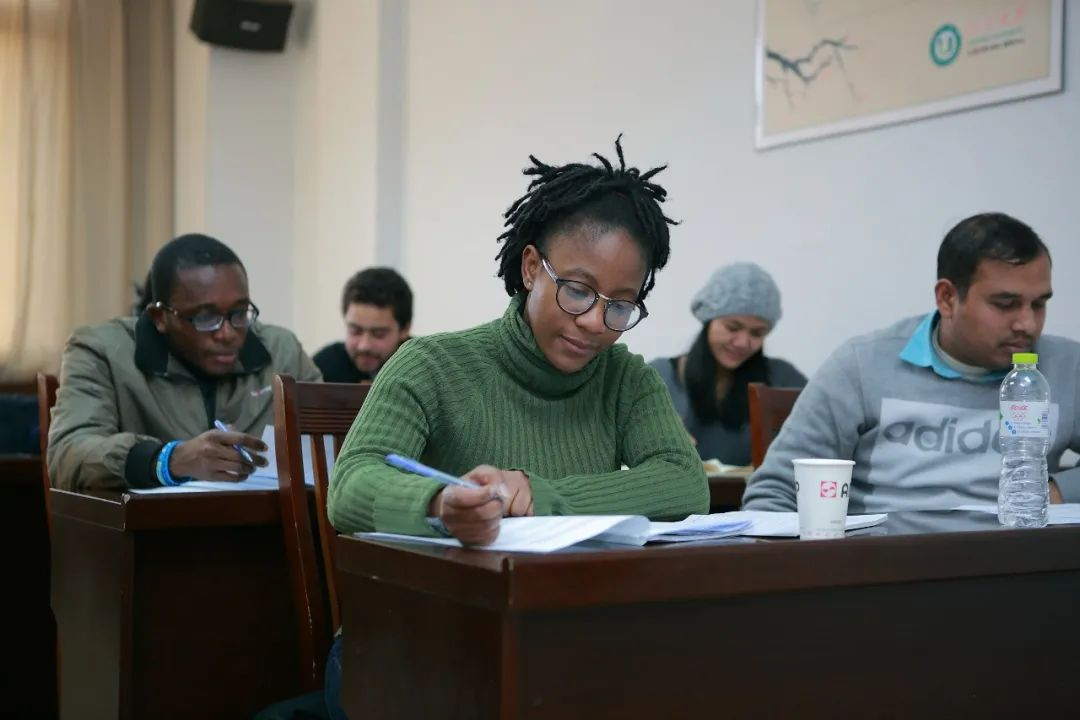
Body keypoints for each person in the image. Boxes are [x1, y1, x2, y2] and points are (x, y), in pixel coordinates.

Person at [314, 138, 708, 719]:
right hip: (412, 639)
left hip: (554, 639)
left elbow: (684, 483)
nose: (595, 322)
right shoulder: (431, 364)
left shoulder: (625, 378)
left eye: (620, 305)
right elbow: (350, 485)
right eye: (577, 291)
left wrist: (542, 497)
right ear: (530, 268)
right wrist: (439, 504)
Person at [742, 212, 1080, 512]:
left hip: (1017, 559)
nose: (1027, 324)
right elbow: (776, 492)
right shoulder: (862, 365)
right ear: (947, 298)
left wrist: (1061, 490)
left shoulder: (1067, 367)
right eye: (1005, 304)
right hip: (889, 557)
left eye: (1039, 304)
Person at [47, 233, 322, 491]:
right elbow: (67, 455)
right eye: (205, 317)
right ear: (160, 318)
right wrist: (169, 460)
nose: (227, 333)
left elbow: (331, 445)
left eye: (239, 312)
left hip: (267, 521)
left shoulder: (282, 351)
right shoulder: (102, 351)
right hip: (154, 524)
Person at [650, 262, 806, 465]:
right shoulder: (659, 376)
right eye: (733, 327)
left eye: (757, 333)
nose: (743, 342)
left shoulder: (784, 379)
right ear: (708, 321)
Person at [313, 267, 413, 383]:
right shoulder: (323, 367)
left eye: (378, 334)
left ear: (404, 330)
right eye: (355, 331)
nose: (364, 346)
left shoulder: (424, 370)